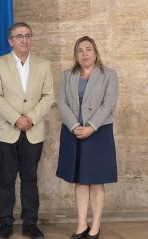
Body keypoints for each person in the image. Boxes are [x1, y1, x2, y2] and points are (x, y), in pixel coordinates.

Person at [0, 22, 54, 239]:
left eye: (27, 35)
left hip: (33, 131)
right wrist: (17, 118)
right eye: (19, 36)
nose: (24, 40)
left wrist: (31, 118)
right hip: (6, 131)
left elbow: (48, 96)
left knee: (30, 179)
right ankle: (5, 223)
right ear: (10, 41)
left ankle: (30, 223)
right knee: (6, 180)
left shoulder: (43, 64)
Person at [57, 36, 118, 239]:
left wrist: (91, 127)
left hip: (99, 133)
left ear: (96, 52)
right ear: (75, 55)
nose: (84, 53)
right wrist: (74, 126)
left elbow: (108, 104)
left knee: (96, 181)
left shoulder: (109, 74)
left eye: (88, 49)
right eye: (80, 50)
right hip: (72, 131)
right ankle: (82, 224)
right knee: (80, 181)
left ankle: (96, 225)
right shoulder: (67, 75)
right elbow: (62, 103)